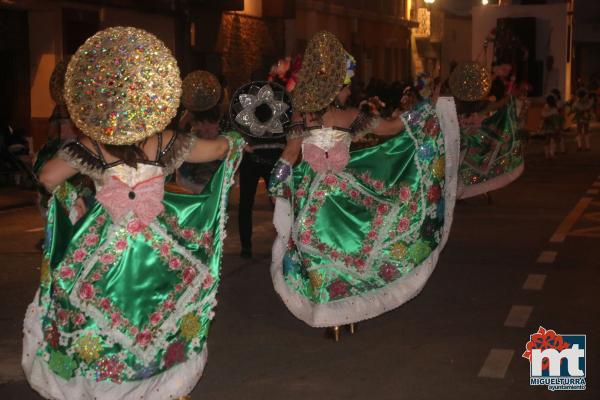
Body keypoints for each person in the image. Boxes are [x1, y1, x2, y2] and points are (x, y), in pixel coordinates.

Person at [22, 27, 245, 400]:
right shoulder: (163, 140)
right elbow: (217, 150)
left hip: (105, 250)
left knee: (98, 317)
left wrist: (69, 196)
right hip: (159, 251)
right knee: (159, 313)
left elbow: (46, 176)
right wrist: (236, 141)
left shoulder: (90, 144)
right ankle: (161, 384)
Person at [268, 31, 459, 340]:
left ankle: (334, 316)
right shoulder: (351, 116)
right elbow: (395, 128)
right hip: (345, 198)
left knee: (318, 254)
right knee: (348, 251)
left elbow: (289, 155)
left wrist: (276, 185)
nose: (347, 93)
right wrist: (425, 109)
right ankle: (345, 314)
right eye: (344, 88)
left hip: (316, 199)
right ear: (335, 89)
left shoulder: (304, 119)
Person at [449, 62, 524, 200]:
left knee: (460, 167)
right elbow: (499, 105)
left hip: (462, 140)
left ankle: (468, 191)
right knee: (476, 165)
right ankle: (476, 190)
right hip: (469, 140)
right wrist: (509, 95)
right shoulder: (474, 104)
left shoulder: (457, 104)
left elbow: (498, 105)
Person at [176, 70, 224, 194]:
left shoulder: (193, 111)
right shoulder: (218, 110)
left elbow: (181, 126)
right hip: (212, 146)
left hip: (199, 145)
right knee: (210, 178)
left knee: (198, 177)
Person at [540, 95, 561, 159]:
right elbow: (556, 117)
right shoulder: (553, 108)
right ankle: (551, 154)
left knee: (548, 139)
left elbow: (543, 116)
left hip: (547, 125)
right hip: (552, 126)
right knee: (553, 139)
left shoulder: (546, 107)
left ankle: (548, 154)